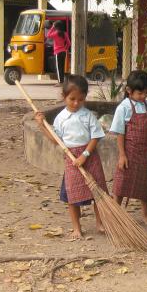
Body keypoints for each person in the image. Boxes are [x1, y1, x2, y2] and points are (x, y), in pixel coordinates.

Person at [35, 74, 107, 239]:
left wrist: (85, 155)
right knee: (72, 195)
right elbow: (56, 140)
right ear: (64, 97)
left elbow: (96, 136)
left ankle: (101, 223)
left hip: (90, 156)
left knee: (98, 192)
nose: (76, 103)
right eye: (72, 99)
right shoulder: (60, 118)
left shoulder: (88, 115)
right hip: (71, 158)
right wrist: (41, 125)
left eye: (80, 99)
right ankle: (76, 228)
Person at [109, 70, 147, 225]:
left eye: (146, 93)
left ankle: (145, 215)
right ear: (129, 91)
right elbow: (120, 133)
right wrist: (122, 155)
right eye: (140, 93)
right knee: (121, 184)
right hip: (128, 153)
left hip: (145, 155)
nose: (143, 97)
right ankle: (115, 215)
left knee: (144, 185)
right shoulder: (124, 108)